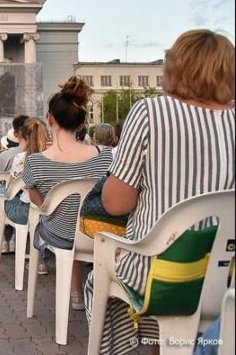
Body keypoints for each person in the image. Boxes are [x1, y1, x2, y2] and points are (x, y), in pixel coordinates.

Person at [84, 29, 235, 355]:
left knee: (99, 278)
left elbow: (115, 203)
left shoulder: (150, 112)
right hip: (226, 278)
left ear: (174, 67)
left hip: (164, 277)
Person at [22, 76, 113, 302]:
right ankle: (77, 292)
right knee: (79, 219)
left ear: (49, 119)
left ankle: (63, 282)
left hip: (60, 235)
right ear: (82, 124)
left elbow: (40, 203)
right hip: (97, 234)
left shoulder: (34, 162)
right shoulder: (105, 157)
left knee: (53, 220)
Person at [0, 118, 48, 252]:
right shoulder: (54, 157)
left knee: (0, 193)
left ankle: (4, 241)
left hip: (26, 213)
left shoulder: (21, 158)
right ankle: (40, 260)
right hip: (51, 212)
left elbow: (10, 190)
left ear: (22, 136)